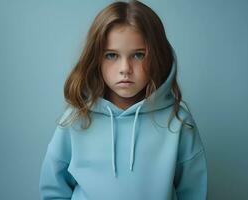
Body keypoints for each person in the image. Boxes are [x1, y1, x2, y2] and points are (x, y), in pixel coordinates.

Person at [39, 0, 207, 199]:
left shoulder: (178, 122)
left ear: (157, 57)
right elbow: (53, 189)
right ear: (95, 59)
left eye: (138, 55)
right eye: (111, 55)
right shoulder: (75, 119)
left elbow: (193, 192)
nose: (125, 68)